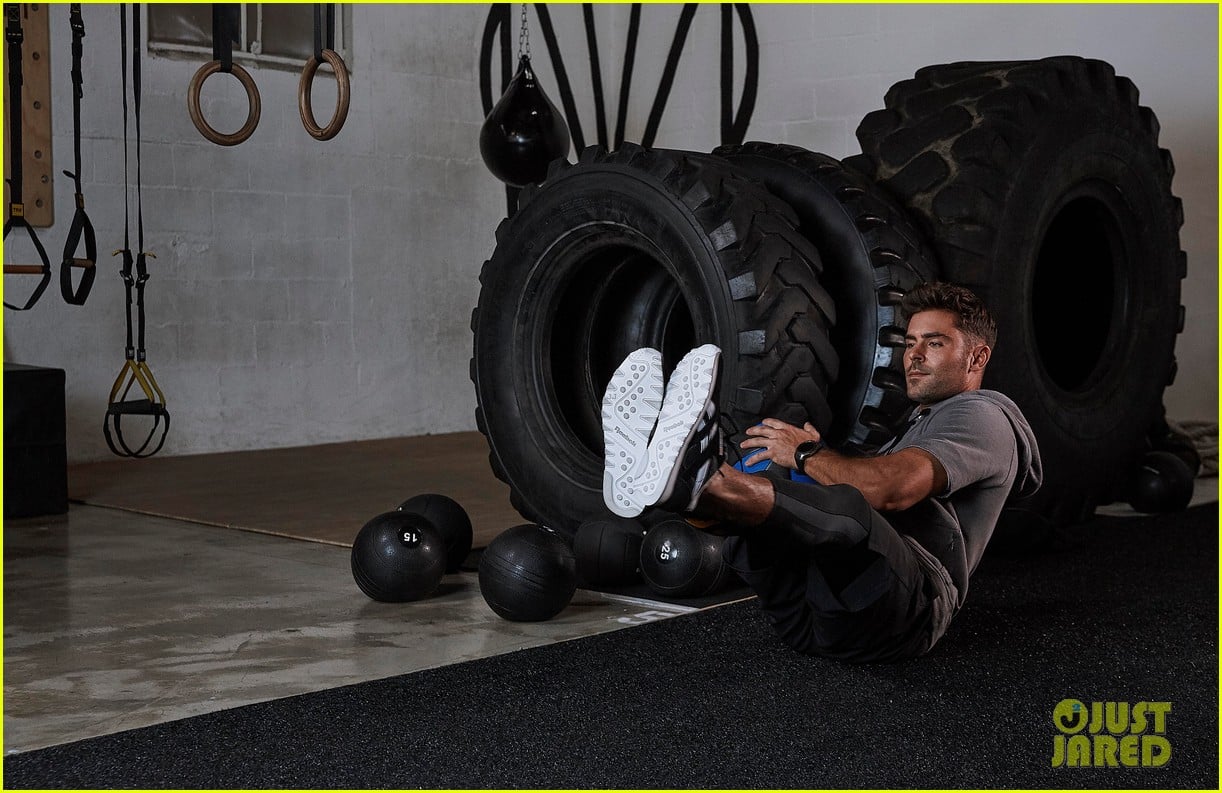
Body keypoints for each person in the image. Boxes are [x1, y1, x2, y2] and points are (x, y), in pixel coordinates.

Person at [600, 282, 1042, 663]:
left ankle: (700, 484)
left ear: (977, 356)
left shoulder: (983, 415)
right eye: (909, 343)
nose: (915, 356)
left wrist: (808, 455)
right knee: (771, 467)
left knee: (840, 498)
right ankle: (678, 491)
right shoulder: (918, 424)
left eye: (935, 343)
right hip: (815, 621)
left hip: (906, 613)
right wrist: (808, 461)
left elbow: (891, 491)